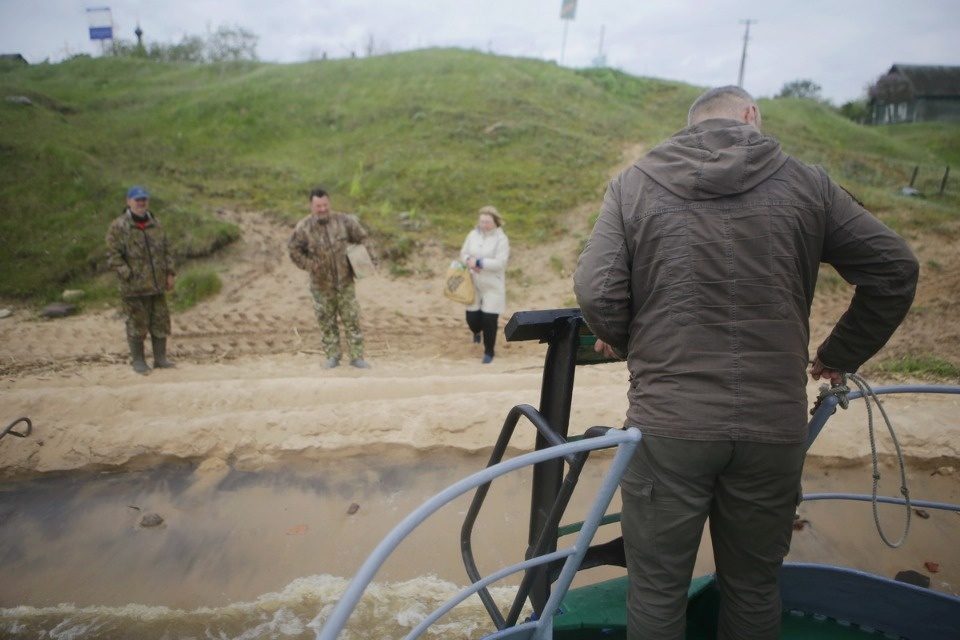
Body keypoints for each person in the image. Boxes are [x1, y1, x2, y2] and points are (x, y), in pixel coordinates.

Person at [573, 85, 918, 640]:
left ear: (689, 127)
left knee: (657, 591)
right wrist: (838, 354)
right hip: (772, 425)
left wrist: (634, 343)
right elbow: (895, 269)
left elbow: (595, 289)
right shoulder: (810, 183)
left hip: (670, 424)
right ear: (751, 116)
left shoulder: (633, 184)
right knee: (755, 589)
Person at [288, 187, 372, 369]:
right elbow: (294, 250)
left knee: (352, 319)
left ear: (329, 203)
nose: (322, 209)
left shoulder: (343, 221)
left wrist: (362, 260)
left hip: (345, 281)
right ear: (311, 206)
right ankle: (333, 356)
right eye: (318, 206)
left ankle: (357, 357)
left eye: (325, 205)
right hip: (321, 284)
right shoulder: (304, 228)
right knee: (326, 321)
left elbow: (362, 238)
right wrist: (311, 265)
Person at [105, 185, 178, 375]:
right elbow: (113, 256)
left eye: (143, 199)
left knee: (160, 322)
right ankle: (138, 361)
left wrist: (170, 273)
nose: (141, 203)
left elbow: (167, 251)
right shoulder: (118, 227)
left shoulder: (157, 225)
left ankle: (160, 359)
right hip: (133, 288)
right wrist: (128, 275)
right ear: (129, 202)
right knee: (136, 324)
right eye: (137, 200)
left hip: (157, 285)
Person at [460, 205, 510, 364]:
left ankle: (489, 351)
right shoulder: (472, 235)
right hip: (473, 281)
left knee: (489, 319)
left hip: (492, 283)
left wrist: (480, 262)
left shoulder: (502, 239)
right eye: (482, 221)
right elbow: (464, 253)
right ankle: (476, 331)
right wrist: (468, 261)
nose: (484, 225)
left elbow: (500, 263)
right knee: (472, 318)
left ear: (495, 222)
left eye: (487, 222)